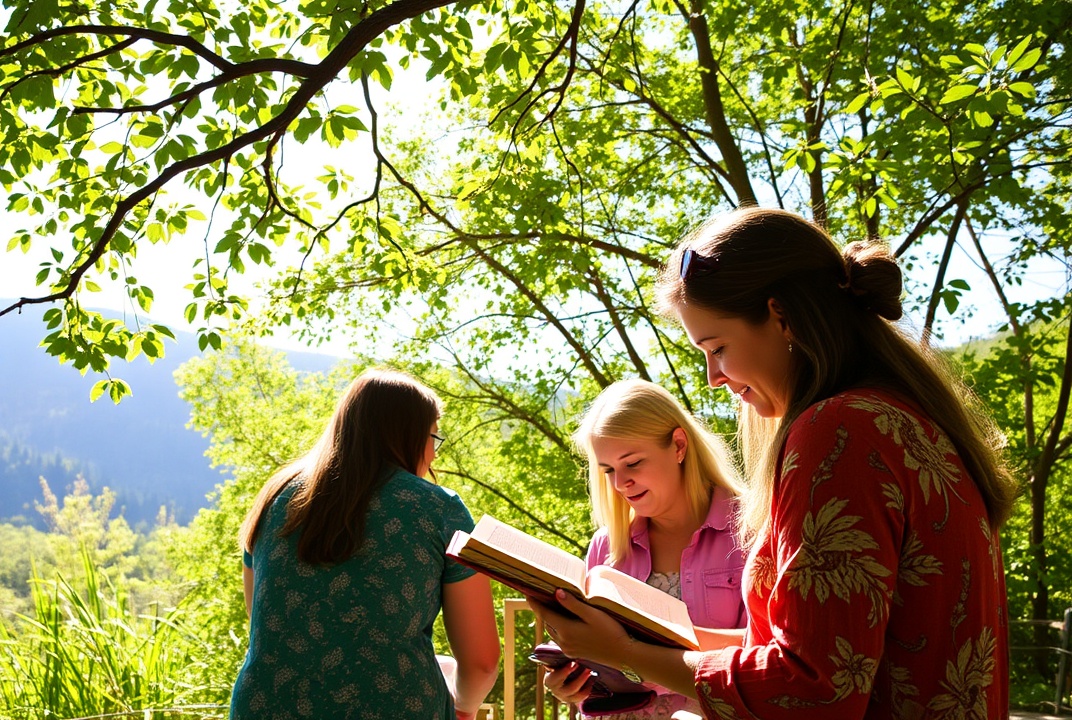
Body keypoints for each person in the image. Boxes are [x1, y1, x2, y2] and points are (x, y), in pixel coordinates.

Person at [530, 208, 1018, 719]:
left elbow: (812, 690)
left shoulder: (839, 432)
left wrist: (625, 655)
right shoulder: (899, 417)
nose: (713, 377)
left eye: (717, 347)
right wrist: (632, 637)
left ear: (781, 316)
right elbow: (822, 648)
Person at [230, 368, 500, 720]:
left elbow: (269, 625)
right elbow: (481, 663)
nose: (434, 454)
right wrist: (463, 707)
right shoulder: (438, 510)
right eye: (433, 437)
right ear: (406, 435)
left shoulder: (275, 497)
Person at [543, 378, 748, 719]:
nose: (621, 483)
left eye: (633, 463)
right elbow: (595, 676)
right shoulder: (607, 546)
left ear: (679, 445)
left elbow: (770, 654)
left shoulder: (750, 531)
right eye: (608, 469)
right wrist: (573, 684)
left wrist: (639, 647)